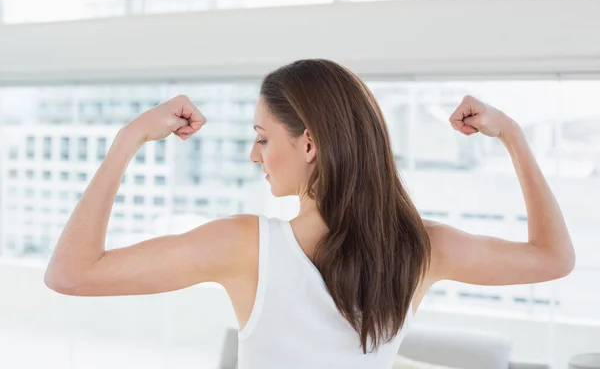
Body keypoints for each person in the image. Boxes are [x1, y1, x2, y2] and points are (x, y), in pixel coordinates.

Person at [44, 59, 575, 369]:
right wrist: (514, 137)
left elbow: (70, 273)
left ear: (309, 144)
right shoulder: (421, 248)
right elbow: (553, 259)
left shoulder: (243, 246)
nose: (255, 155)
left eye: (262, 137)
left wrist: (129, 138)